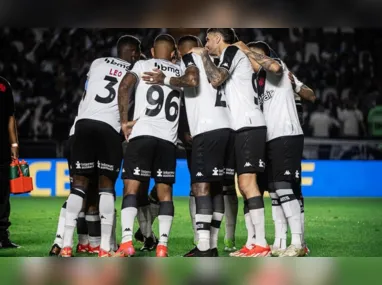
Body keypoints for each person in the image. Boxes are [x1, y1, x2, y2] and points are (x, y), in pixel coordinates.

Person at [143, 34, 233, 257]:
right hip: (227, 129)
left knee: (200, 187)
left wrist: (164, 79)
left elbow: (192, 81)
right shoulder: (214, 63)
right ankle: (210, 245)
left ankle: (204, 247)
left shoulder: (188, 61)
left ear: (180, 51)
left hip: (207, 130)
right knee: (216, 187)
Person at [190, 28, 269, 257]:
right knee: (244, 187)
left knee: (248, 185)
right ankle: (253, 242)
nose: (206, 44)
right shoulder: (230, 55)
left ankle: (261, 242)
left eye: (207, 40)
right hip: (241, 126)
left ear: (217, 38)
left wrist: (203, 55)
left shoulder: (232, 51)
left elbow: (215, 80)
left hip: (249, 124)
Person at [60, 35, 140, 257]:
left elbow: (89, 90)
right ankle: (104, 247)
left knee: (79, 186)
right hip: (109, 128)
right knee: (106, 187)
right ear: (134, 53)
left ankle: (66, 244)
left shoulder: (97, 62)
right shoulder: (137, 72)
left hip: (83, 125)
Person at [236, 40, 306, 257]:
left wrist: (247, 50)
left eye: (251, 58)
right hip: (268, 138)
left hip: (285, 134)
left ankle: (297, 243)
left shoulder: (278, 68)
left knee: (284, 188)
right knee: (275, 191)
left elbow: (274, 67)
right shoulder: (255, 81)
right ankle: (280, 242)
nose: (248, 61)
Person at [115, 34, 181, 258]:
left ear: (153, 51)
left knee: (131, 189)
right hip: (167, 140)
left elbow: (124, 86)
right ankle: (162, 246)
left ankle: (126, 242)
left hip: (142, 134)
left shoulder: (142, 64)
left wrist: (124, 121)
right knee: (165, 194)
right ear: (173, 54)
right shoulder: (180, 71)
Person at [0, 76, 20, 249]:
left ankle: (2, 237)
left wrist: (14, 143)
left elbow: (10, 117)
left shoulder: (4, 85)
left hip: (1, 148)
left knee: (3, 194)